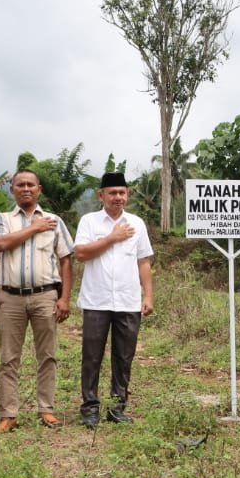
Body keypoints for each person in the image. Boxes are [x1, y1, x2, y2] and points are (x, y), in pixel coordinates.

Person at [0, 169, 75, 433]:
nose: (26, 189)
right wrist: (34, 228)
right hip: (10, 298)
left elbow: (66, 260)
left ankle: (46, 409)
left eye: (31, 185)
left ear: (39, 189)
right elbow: (1, 244)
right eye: (20, 185)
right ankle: (9, 414)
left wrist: (65, 298)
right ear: (12, 190)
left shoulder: (54, 220)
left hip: (45, 295)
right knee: (8, 358)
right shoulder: (2, 219)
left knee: (47, 356)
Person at [74, 172, 154, 428]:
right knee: (92, 356)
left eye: (122, 192)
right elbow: (81, 253)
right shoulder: (89, 221)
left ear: (127, 195)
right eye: (113, 193)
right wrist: (111, 238)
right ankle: (90, 407)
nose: (118, 197)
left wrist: (148, 295)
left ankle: (118, 407)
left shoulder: (137, 223)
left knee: (124, 356)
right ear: (101, 195)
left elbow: (143, 261)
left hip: (128, 301)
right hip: (96, 301)